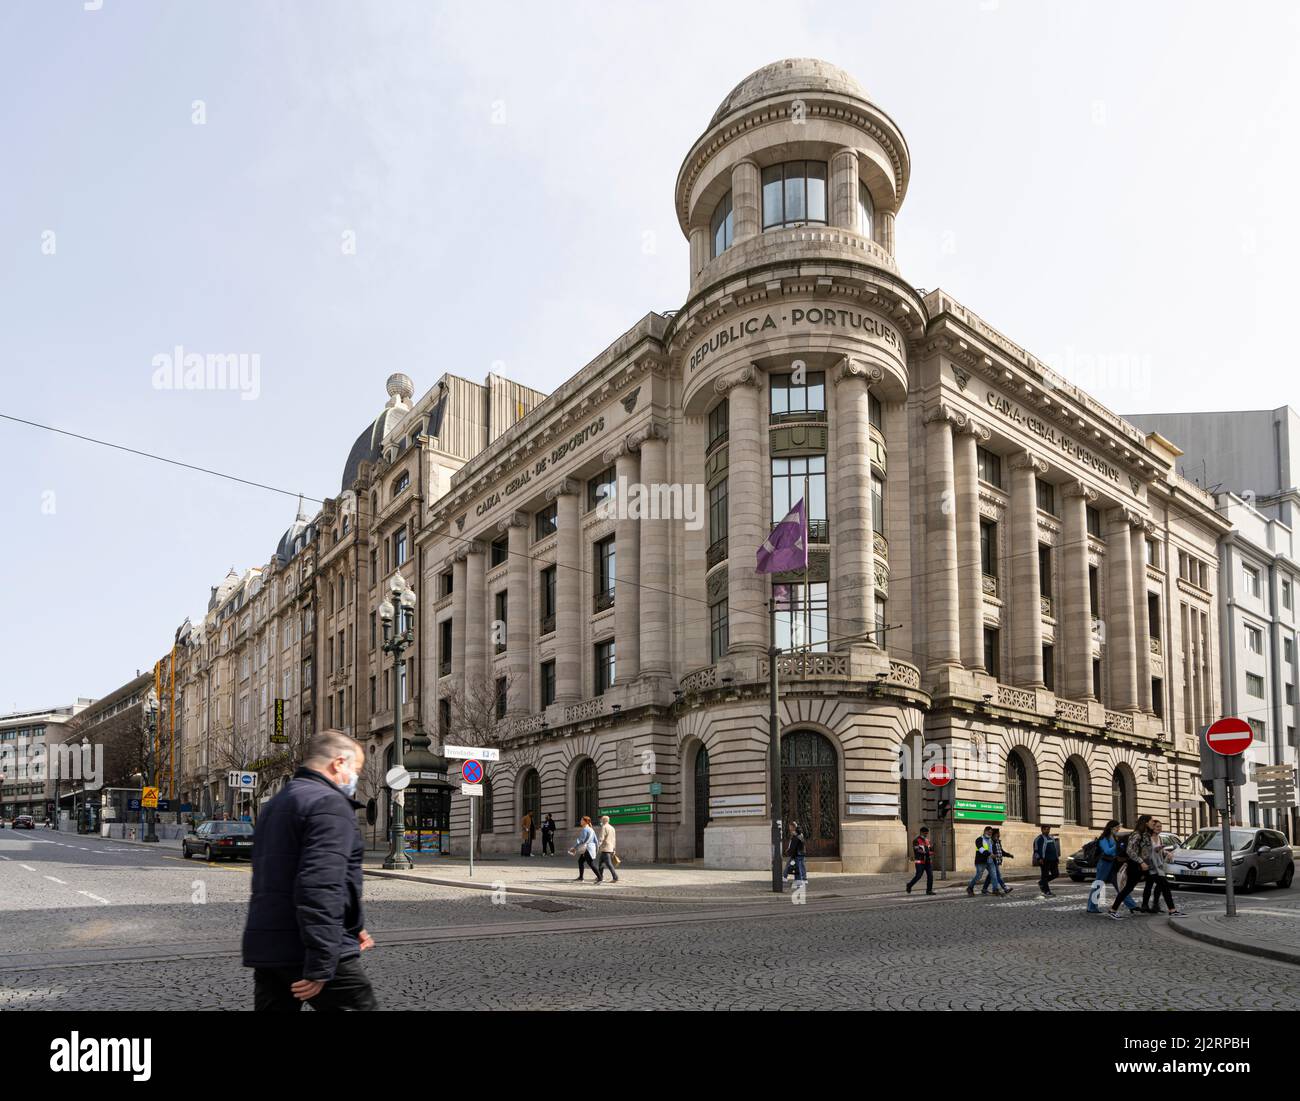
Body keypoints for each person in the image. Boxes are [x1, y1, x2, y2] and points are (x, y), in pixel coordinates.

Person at [241, 730, 377, 1011]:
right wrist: (321, 962)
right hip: (309, 948)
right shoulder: (330, 804)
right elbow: (320, 886)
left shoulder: (277, 803)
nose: (356, 778)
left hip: (270, 947)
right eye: (357, 769)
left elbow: (278, 875)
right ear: (339, 763)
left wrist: (354, 925)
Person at [1109, 815, 1152, 919]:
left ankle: (1148, 905)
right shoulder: (1136, 835)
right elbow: (1130, 851)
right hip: (1135, 865)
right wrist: (1141, 862)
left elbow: (1146, 850)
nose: (1152, 823)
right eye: (1151, 821)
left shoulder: (1146, 834)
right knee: (1128, 888)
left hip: (1145, 865)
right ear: (1145, 822)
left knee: (1157, 881)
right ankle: (1113, 909)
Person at [1140, 817, 1184, 916]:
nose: (1159, 828)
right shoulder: (1148, 838)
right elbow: (1146, 852)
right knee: (1163, 885)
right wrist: (1154, 851)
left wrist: (1166, 852)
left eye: (1160, 826)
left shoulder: (1159, 837)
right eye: (1157, 826)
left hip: (1159, 865)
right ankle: (1171, 909)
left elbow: (1159, 850)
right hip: (1151, 865)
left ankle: (1151, 905)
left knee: (1154, 885)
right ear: (1152, 827)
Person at [905, 826, 935, 895]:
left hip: (928, 861)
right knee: (918, 876)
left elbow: (931, 850)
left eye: (927, 833)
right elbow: (917, 850)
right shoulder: (916, 840)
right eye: (925, 833)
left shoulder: (927, 841)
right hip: (920, 862)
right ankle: (909, 885)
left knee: (930, 876)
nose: (926, 835)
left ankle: (929, 890)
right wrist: (927, 853)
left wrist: (931, 851)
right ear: (921, 832)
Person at [1033, 823, 1061, 897]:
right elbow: (1035, 851)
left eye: (1048, 829)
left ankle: (1042, 882)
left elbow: (1055, 848)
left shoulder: (1051, 837)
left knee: (1056, 874)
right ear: (1042, 830)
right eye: (1045, 829)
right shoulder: (1038, 839)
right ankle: (1047, 891)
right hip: (1044, 860)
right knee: (1045, 876)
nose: (1047, 831)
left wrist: (1057, 858)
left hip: (1053, 860)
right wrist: (1039, 858)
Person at [569, 816, 600, 881]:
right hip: (590, 848)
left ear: (585, 822)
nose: (580, 821)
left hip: (587, 849)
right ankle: (581, 877)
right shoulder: (591, 829)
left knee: (591, 864)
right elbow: (596, 841)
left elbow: (581, 840)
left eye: (581, 820)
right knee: (580, 861)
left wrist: (574, 847)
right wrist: (596, 849)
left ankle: (600, 878)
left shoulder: (585, 829)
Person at [966, 826, 994, 895]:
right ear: (985, 831)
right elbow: (981, 849)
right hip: (981, 861)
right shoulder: (979, 839)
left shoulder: (991, 840)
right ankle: (970, 888)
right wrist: (989, 854)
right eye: (989, 832)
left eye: (991, 832)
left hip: (990, 861)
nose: (990, 833)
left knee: (993, 874)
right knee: (979, 876)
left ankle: (985, 889)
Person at [988, 828, 1013, 895]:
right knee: (998, 875)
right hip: (993, 861)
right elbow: (990, 852)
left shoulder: (998, 841)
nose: (1000, 834)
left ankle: (984, 889)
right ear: (995, 834)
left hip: (997, 861)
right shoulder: (991, 842)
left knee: (990, 876)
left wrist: (1008, 855)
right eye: (999, 833)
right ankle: (1005, 888)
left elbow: (1001, 851)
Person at [595, 815, 619, 883]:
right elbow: (614, 839)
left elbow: (601, 838)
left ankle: (615, 877)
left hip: (605, 848)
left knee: (609, 864)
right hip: (610, 848)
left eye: (601, 820)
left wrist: (598, 845)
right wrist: (614, 848)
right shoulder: (612, 828)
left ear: (603, 820)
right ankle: (600, 876)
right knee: (601, 863)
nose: (600, 821)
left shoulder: (604, 827)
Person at [784, 820, 807, 887]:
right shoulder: (799, 835)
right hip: (800, 853)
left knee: (798, 867)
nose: (790, 829)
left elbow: (793, 846)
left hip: (797, 853)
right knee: (798, 867)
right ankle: (801, 880)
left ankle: (800, 881)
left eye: (790, 827)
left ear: (793, 827)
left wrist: (789, 852)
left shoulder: (796, 836)